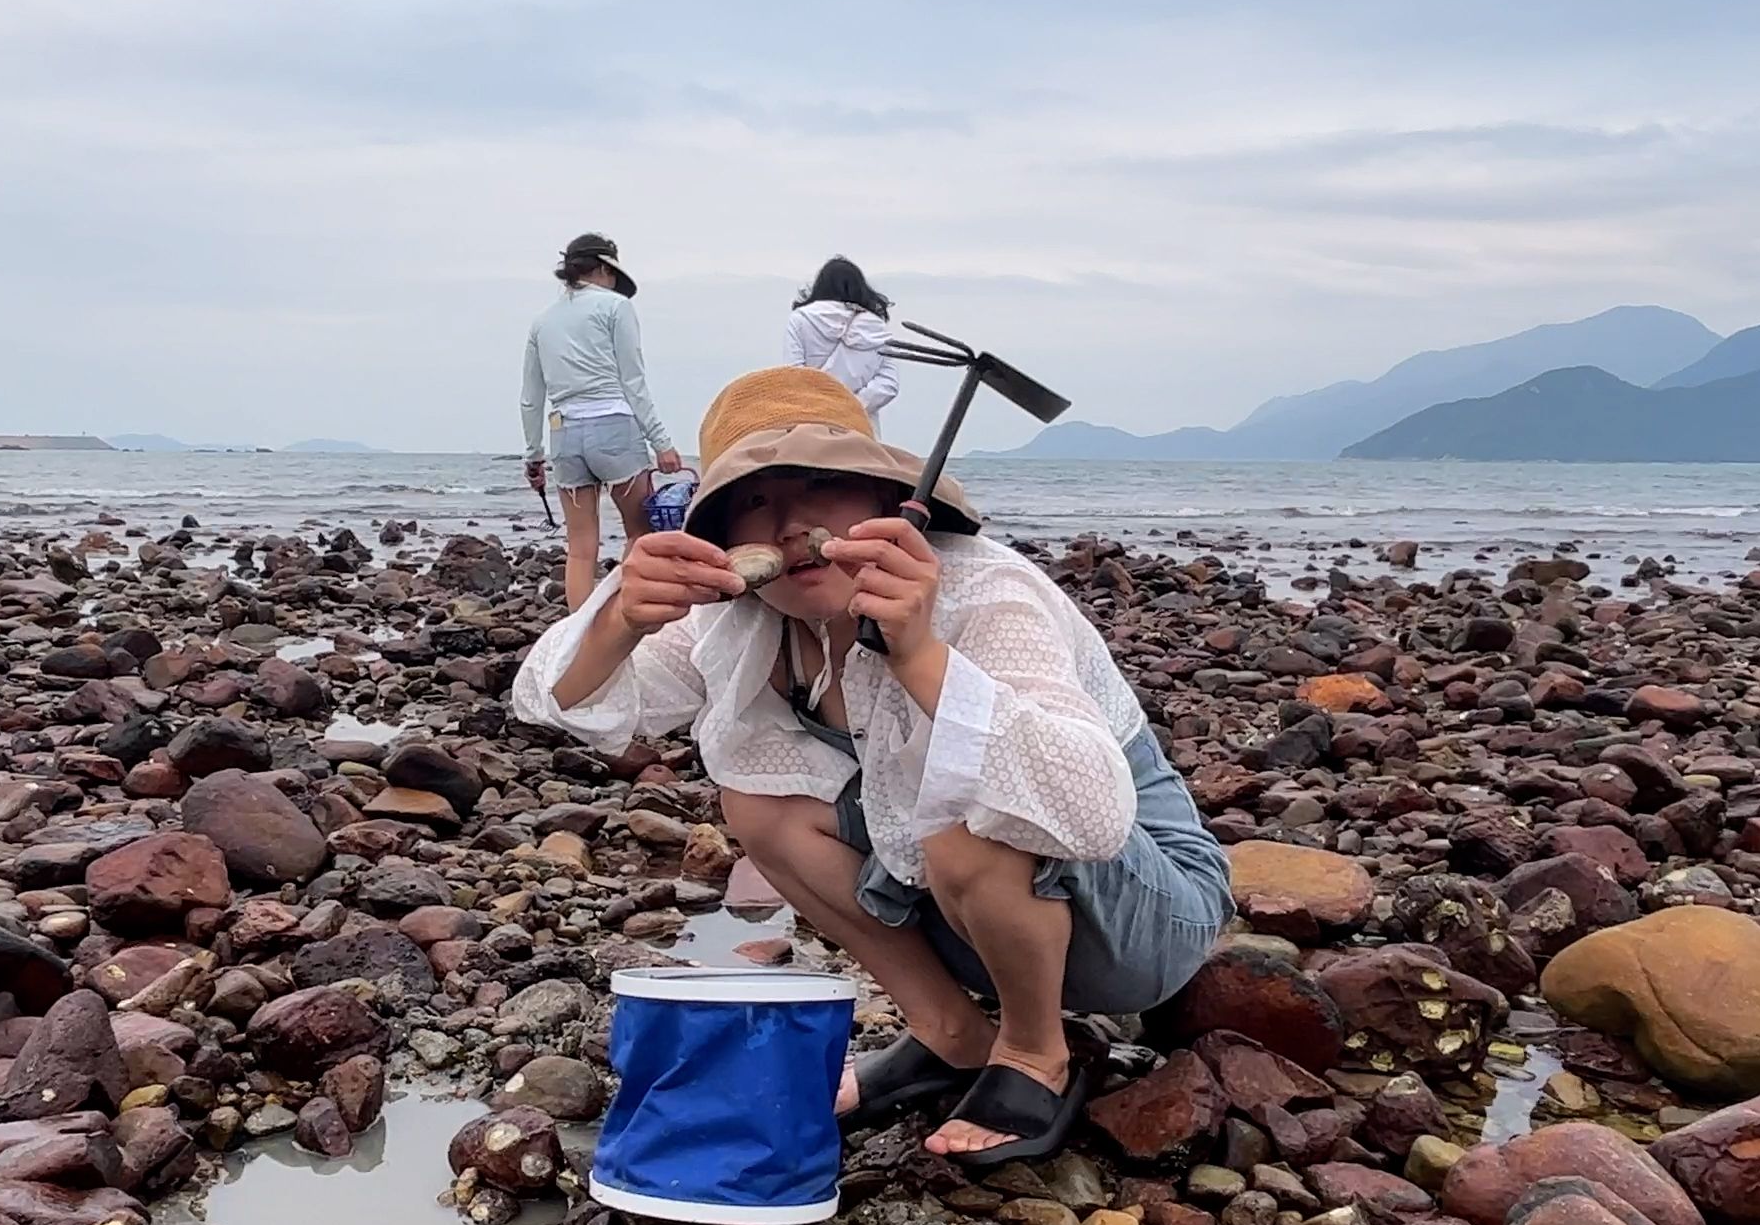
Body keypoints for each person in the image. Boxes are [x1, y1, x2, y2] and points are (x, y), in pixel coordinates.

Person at [512, 366, 1230, 1166]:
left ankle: (1035, 1054)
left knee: (966, 800)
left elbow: (1090, 813)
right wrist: (616, 615)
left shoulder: (983, 591)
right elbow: (557, 701)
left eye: (821, 485)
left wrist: (921, 655)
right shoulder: (745, 621)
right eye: (752, 500)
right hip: (975, 911)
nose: (789, 525)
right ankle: (951, 1033)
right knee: (757, 800)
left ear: (886, 497)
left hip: (1144, 917)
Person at [521, 232, 682, 611]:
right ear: (603, 269)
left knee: (580, 549)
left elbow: (531, 397)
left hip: (564, 433)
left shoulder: (541, 322)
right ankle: (626, 619)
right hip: (614, 428)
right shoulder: (615, 307)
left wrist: (534, 456)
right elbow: (633, 381)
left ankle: (578, 636)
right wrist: (661, 442)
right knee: (639, 534)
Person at [781, 255, 900, 415]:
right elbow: (889, 384)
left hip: (810, 420)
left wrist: (821, 407)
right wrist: (852, 406)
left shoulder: (801, 319)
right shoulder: (876, 327)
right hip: (860, 427)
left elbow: (793, 374)